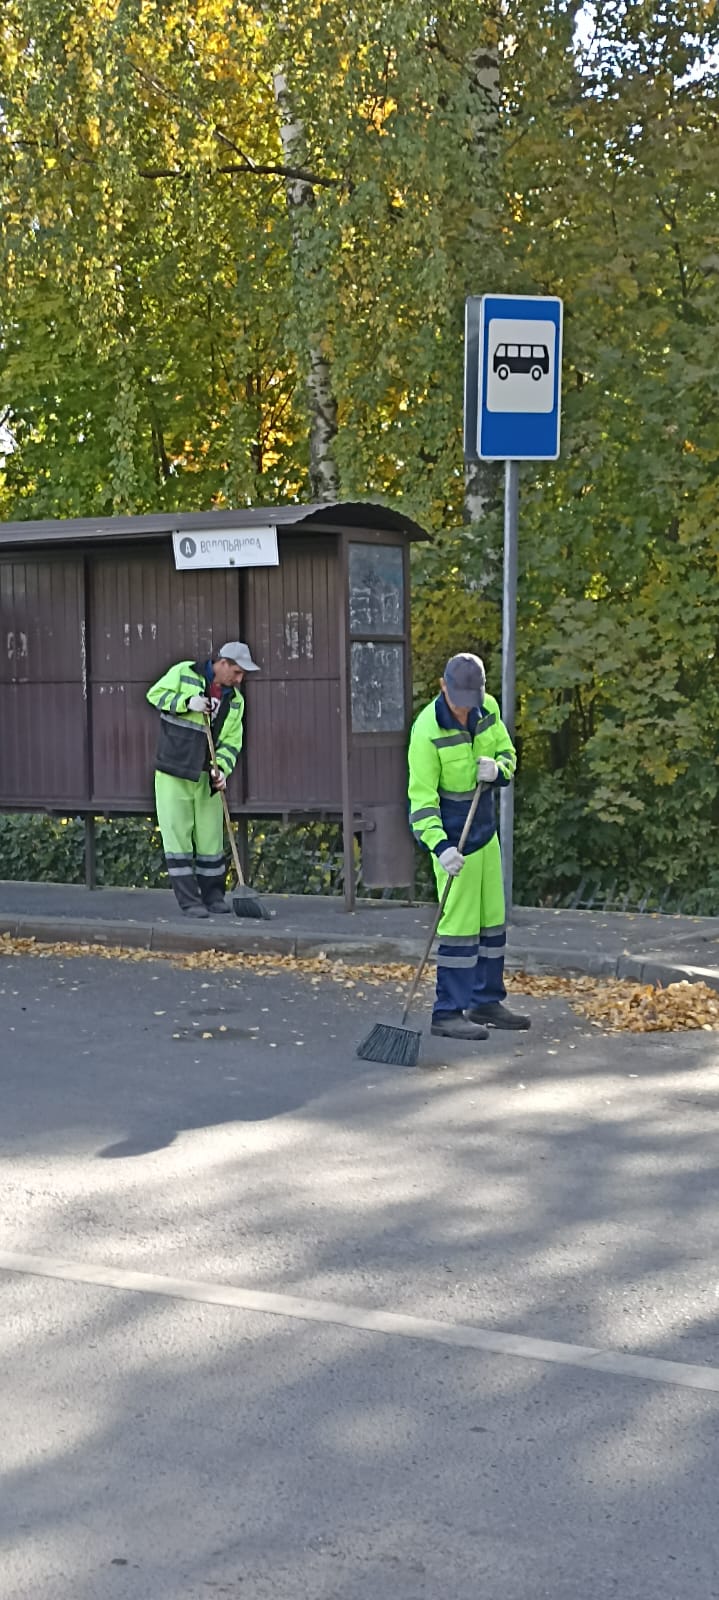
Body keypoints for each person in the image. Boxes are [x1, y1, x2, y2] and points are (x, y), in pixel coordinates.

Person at [408, 651, 530, 1040]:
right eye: (458, 698)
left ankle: (485, 1001)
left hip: (484, 834)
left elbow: (508, 754)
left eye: (470, 698)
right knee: (458, 930)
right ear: (443, 686)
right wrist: (441, 848)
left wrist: (499, 771)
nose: (465, 708)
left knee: (492, 924)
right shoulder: (426, 730)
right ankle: (447, 1012)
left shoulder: (487, 707)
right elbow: (421, 802)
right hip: (452, 844)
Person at [147, 641, 260, 918]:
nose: (239, 678)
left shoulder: (236, 701)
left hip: (206, 777)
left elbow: (232, 742)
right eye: (236, 672)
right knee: (178, 839)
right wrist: (187, 703)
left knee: (211, 840)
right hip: (174, 770)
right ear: (222, 664)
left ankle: (214, 897)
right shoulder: (184, 673)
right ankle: (190, 902)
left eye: (242, 674)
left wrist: (222, 770)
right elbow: (155, 695)